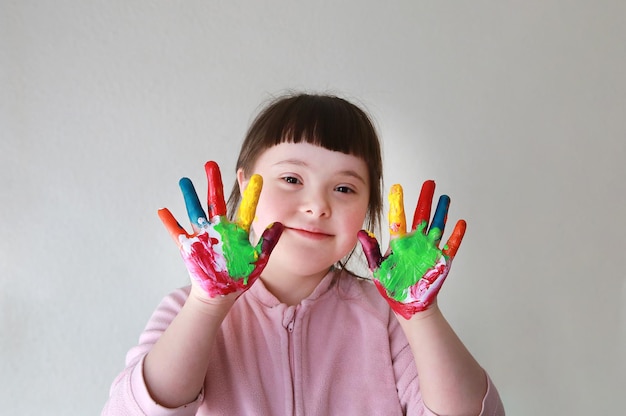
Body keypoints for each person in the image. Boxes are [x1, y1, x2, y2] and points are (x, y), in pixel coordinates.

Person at [102, 93, 505, 415]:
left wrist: (422, 317)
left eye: (344, 188)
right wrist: (207, 307)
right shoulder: (186, 307)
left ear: (369, 207)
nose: (317, 206)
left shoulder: (385, 319)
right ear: (245, 187)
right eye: (292, 179)